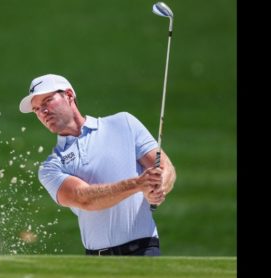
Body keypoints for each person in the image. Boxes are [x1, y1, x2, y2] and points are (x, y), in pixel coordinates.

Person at [19, 74, 176, 256]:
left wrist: (159, 187)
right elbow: (84, 198)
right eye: (37, 109)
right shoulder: (51, 167)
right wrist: (139, 184)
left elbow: (166, 168)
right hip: (98, 260)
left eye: (47, 102)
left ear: (69, 95)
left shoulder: (123, 123)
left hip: (145, 250)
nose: (42, 112)